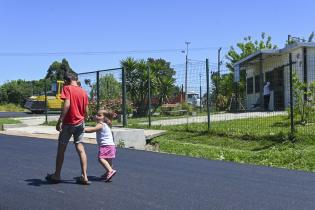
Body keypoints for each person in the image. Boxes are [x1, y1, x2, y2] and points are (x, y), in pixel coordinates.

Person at [46, 72, 90, 185]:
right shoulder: (83, 91)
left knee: (61, 148)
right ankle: (84, 176)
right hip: (80, 123)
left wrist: (60, 120)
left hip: (68, 123)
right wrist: (83, 118)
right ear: (76, 79)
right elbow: (86, 110)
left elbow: (67, 104)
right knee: (80, 147)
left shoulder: (67, 88)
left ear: (66, 81)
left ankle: (57, 175)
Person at [85, 110, 117, 182]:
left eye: (99, 115)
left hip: (105, 146)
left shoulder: (101, 124)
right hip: (111, 146)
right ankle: (107, 173)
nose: (97, 116)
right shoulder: (107, 125)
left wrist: (82, 129)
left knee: (101, 158)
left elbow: (92, 129)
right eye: (97, 115)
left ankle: (110, 171)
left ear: (104, 118)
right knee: (109, 161)